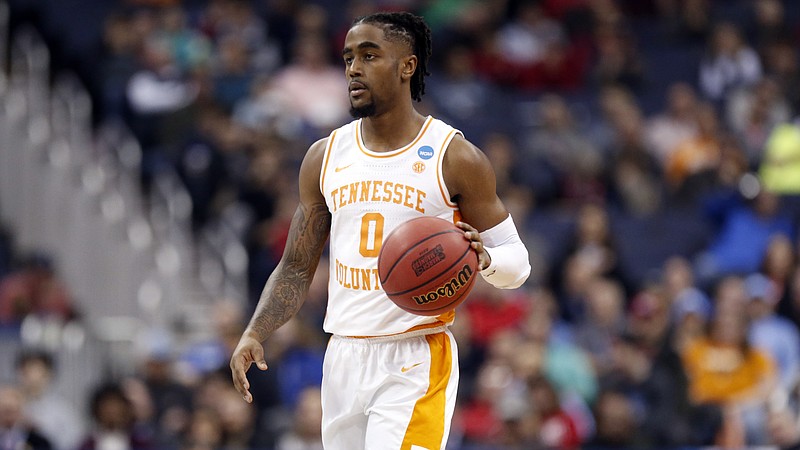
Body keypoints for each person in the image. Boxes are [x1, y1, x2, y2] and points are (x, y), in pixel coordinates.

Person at [229, 11, 531, 450]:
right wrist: (256, 331)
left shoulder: (454, 156)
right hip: (344, 355)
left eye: (370, 56)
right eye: (349, 57)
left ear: (407, 66)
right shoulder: (324, 156)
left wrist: (487, 260)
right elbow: (296, 265)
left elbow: (517, 262)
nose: (354, 67)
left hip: (414, 355)